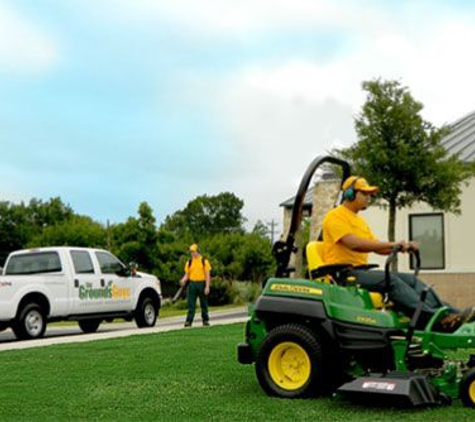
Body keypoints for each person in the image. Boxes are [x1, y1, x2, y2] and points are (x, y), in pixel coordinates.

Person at [322, 175, 475, 332]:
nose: (369, 198)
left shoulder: (359, 222)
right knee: (391, 281)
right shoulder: (334, 216)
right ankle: (434, 321)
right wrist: (393, 244)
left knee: (411, 280)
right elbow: (352, 243)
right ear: (349, 194)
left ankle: (452, 315)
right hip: (343, 275)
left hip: (361, 272)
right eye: (365, 194)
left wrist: (404, 247)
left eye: (370, 195)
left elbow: (378, 247)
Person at [179, 244, 212, 327]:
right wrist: (183, 280)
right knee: (191, 304)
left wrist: (207, 286)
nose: (192, 253)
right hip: (192, 284)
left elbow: (207, 275)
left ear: (198, 251)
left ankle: (205, 320)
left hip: (202, 283)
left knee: (203, 303)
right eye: (191, 252)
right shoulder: (189, 262)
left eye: (194, 251)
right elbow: (187, 274)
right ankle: (189, 321)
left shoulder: (204, 261)